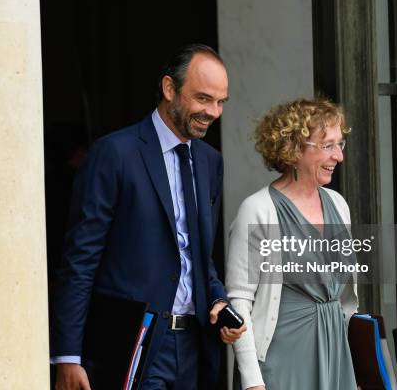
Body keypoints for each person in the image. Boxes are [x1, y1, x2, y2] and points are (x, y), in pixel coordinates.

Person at [50, 44, 247, 390]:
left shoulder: (210, 161)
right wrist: (68, 355)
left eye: (220, 102)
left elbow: (199, 257)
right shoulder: (113, 154)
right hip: (134, 345)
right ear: (170, 88)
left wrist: (219, 300)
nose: (213, 112)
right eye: (203, 99)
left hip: (195, 348)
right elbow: (80, 261)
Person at [226, 99, 359, 390]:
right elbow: (239, 300)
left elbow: (346, 298)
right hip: (280, 363)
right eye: (328, 146)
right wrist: (252, 382)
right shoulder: (258, 209)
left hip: (335, 355)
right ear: (294, 148)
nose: (338, 156)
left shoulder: (339, 205)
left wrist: (357, 365)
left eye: (340, 145)